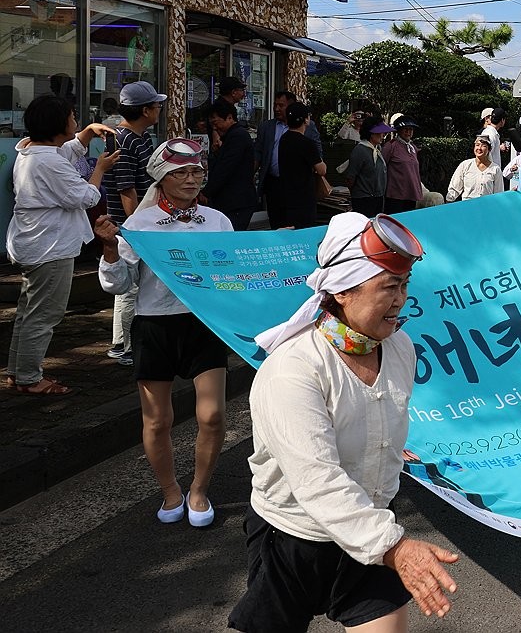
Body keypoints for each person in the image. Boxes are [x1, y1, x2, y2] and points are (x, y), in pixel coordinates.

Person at [228, 213, 458, 630]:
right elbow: (317, 481)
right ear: (342, 292)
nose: (401, 299)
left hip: (370, 529)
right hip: (293, 536)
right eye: (388, 287)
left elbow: (382, 418)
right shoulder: (293, 370)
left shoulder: (400, 347)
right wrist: (399, 550)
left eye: (404, 285)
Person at [95, 138, 235, 527]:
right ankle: (172, 490)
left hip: (203, 325)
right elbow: (119, 285)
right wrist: (109, 249)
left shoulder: (218, 221)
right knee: (157, 420)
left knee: (213, 415)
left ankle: (199, 490)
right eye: (180, 173)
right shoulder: (140, 224)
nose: (191, 179)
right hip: (154, 326)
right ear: (161, 177)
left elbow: (231, 276)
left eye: (196, 172)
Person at [5, 95, 117, 396]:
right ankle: (30, 377)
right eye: (72, 117)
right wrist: (100, 169)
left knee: (30, 311)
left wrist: (86, 134)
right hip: (49, 246)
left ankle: (19, 371)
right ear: (57, 124)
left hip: (35, 242)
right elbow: (85, 197)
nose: (76, 121)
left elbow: (64, 152)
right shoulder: (49, 161)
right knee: (44, 315)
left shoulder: (33, 151)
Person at [104, 80, 164, 366]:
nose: (160, 110)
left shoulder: (141, 138)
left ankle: (125, 343)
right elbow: (125, 188)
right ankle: (122, 345)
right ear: (145, 110)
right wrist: (135, 226)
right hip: (130, 225)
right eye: (156, 105)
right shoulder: (121, 139)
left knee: (135, 284)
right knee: (129, 287)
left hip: (144, 221)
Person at [256, 91, 324, 229]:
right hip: (276, 184)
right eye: (275, 105)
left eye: (281, 105)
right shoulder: (267, 127)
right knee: (280, 222)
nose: (276, 109)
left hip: (299, 186)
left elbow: (317, 149)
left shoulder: (302, 132)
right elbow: (258, 152)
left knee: (289, 226)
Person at [202, 100, 257, 230]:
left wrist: (207, 191)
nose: (215, 128)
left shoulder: (238, 136)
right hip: (230, 201)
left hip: (237, 202)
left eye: (216, 123)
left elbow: (226, 168)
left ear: (229, 118)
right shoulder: (229, 137)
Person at [278, 101, 327, 229]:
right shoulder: (307, 143)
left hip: (285, 194)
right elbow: (322, 170)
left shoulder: (283, 139)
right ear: (306, 120)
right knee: (304, 231)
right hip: (304, 198)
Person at [344, 116, 391, 216]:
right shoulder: (360, 150)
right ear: (371, 133)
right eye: (380, 132)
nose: (383, 135)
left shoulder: (377, 150)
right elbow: (350, 177)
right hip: (363, 199)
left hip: (377, 198)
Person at [381, 114, 422, 213]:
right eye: (405, 129)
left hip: (411, 193)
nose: (408, 132)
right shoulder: (390, 146)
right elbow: (382, 167)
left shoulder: (413, 147)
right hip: (395, 194)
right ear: (399, 130)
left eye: (411, 129)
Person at [447, 135, 504, 201]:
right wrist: (448, 201)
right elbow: (454, 187)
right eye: (477, 145)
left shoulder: (495, 169)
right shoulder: (465, 165)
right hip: (468, 206)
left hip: (486, 206)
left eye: (483, 146)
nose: (479, 148)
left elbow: (499, 193)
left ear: (489, 149)